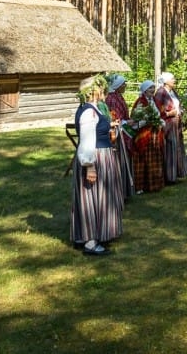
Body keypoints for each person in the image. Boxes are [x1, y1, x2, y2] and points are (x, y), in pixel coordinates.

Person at [70, 77, 124, 256]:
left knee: (100, 197)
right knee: (92, 198)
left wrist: (109, 125)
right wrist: (90, 165)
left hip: (102, 156)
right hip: (95, 158)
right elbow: (86, 140)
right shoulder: (88, 112)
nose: (103, 92)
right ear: (92, 91)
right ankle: (91, 242)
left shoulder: (93, 110)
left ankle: (99, 234)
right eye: (100, 89)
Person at [129, 79, 166, 194]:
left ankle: (155, 185)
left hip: (155, 134)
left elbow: (161, 113)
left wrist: (160, 121)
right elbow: (134, 117)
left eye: (153, 88)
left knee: (155, 158)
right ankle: (142, 186)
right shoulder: (140, 102)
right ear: (144, 90)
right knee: (143, 159)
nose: (152, 90)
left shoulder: (155, 100)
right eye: (150, 88)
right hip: (144, 135)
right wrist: (144, 121)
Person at [103, 74, 135, 198]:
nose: (125, 85)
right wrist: (127, 122)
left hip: (123, 130)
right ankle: (121, 191)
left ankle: (125, 191)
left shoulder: (118, 96)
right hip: (118, 134)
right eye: (123, 84)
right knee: (121, 161)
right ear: (117, 86)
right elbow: (115, 118)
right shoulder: (112, 98)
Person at [154, 72, 187, 184]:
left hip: (176, 123)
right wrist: (169, 114)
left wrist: (180, 111)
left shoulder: (173, 92)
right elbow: (157, 111)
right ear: (166, 81)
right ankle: (169, 176)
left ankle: (176, 173)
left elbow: (178, 106)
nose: (174, 80)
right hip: (168, 124)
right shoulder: (160, 93)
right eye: (172, 79)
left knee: (177, 147)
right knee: (170, 148)